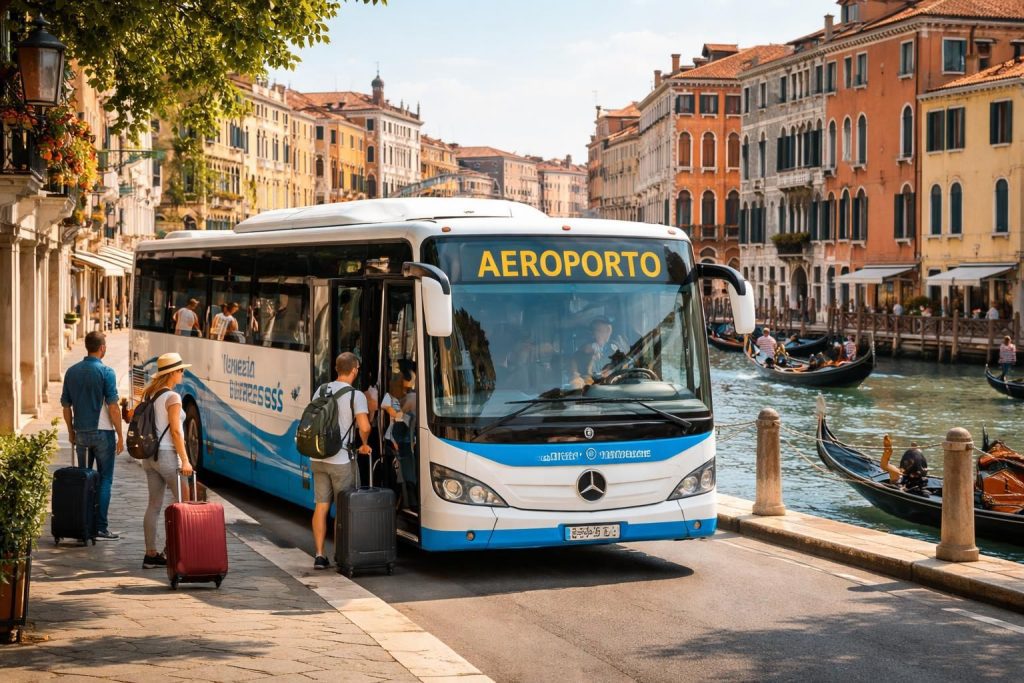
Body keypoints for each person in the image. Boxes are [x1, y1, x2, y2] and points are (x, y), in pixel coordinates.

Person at [311, 352, 372, 570]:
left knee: (321, 506)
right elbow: (364, 426)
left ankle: (319, 555)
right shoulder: (356, 396)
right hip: (341, 460)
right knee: (344, 509)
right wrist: (364, 443)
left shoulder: (322, 389)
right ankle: (340, 555)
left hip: (318, 457)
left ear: (337, 369)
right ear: (354, 369)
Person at [60, 331, 124, 541]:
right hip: (103, 433)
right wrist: (120, 434)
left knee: (84, 480)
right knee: (105, 479)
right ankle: (100, 527)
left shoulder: (71, 371)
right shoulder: (106, 372)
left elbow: (66, 407)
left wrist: (71, 431)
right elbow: (114, 407)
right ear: (102, 348)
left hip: (81, 434)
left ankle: (83, 525)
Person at [139, 352, 195, 568]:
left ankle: (150, 555)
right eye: (181, 370)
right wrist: (185, 460)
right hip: (167, 456)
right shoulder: (173, 398)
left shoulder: (150, 394)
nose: (183, 373)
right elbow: (176, 431)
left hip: (149, 457)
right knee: (185, 503)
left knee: (153, 505)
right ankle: (175, 550)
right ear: (172, 373)